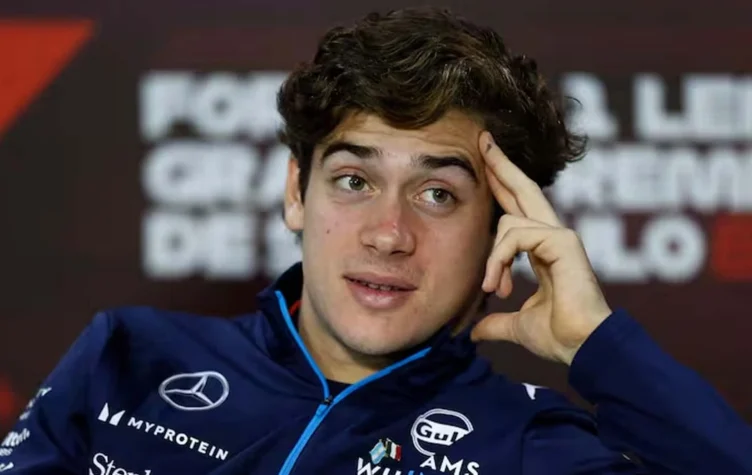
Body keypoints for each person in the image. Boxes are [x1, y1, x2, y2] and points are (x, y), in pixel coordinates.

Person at [2, 7, 751, 475]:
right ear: (297, 192)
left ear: (502, 233)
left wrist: (600, 346)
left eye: (438, 194)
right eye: (355, 180)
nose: (389, 234)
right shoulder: (127, 358)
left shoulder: (530, 445)